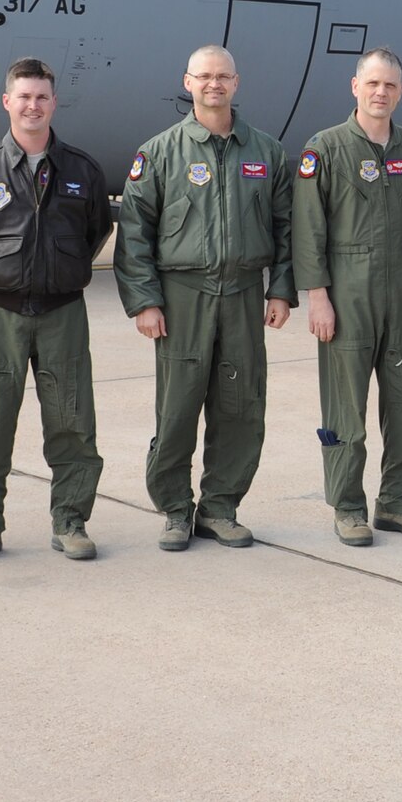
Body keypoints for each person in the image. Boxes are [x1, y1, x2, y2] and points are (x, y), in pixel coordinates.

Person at [113, 45, 295, 550]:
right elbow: (134, 232)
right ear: (187, 82)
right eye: (204, 77)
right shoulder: (161, 152)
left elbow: (287, 226)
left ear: (237, 83)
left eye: (223, 77)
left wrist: (280, 289)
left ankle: (220, 507)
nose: (214, 84)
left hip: (241, 293)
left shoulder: (266, 152)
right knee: (177, 408)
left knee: (240, 408)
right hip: (181, 296)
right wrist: (145, 301)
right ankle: (175, 509)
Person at [0, 58, 112, 563]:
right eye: (23, 97)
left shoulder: (82, 169)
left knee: (72, 421)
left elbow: (96, 232)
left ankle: (71, 520)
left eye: (41, 97)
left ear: (53, 103)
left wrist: (58, 271)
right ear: (7, 103)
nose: (32, 106)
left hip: (63, 312)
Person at [294, 48, 402, 546]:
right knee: (345, 409)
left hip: (401, 288)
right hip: (346, 287)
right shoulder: (326, 147)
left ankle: (398, 504)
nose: (381, 93)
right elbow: (308, 229)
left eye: (391, 86)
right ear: (354, 87)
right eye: (373, 84)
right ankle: (348, 506)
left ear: (400, 91)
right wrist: (317, 296)